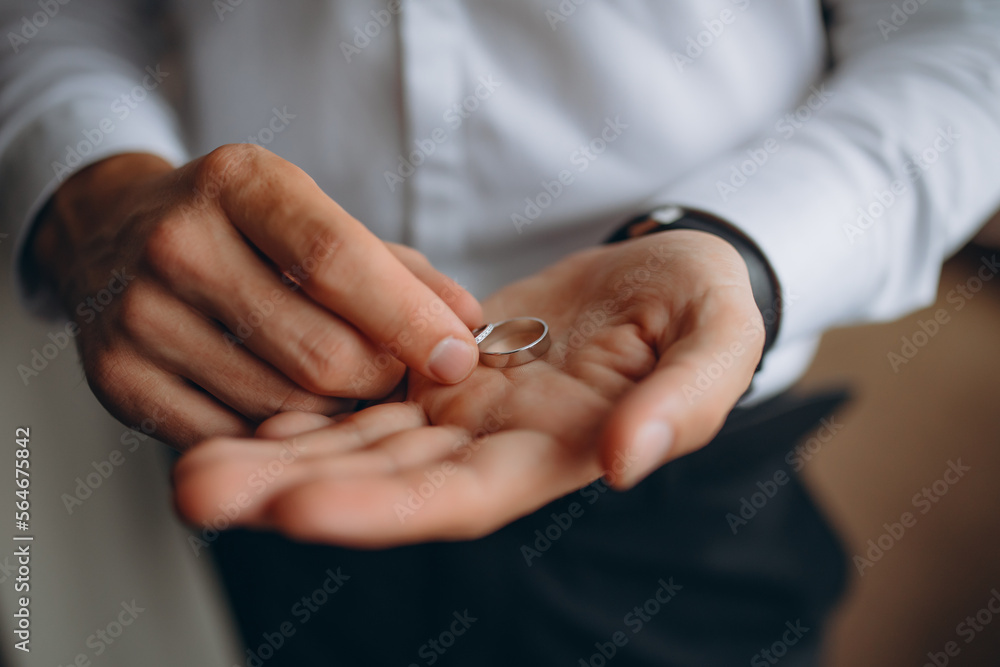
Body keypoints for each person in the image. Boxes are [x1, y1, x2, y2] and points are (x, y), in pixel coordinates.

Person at [2, 1, 999, 664]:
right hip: (231, 424)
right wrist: (90, 179)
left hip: (667, 466)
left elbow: (964, 40)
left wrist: (734, 247)